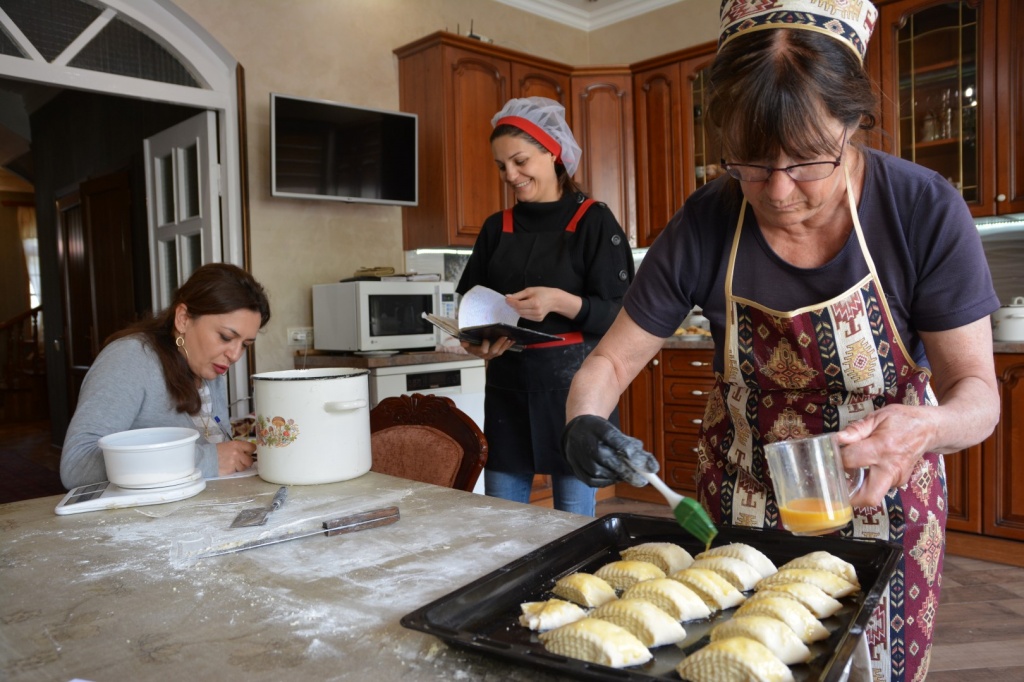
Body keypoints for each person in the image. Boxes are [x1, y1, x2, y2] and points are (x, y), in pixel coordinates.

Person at [561, 1, 1001, 680]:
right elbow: (612, 361)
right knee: (732, 664)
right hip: (741, 506)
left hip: (882, 502)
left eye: (806, 161)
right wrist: (584, 421)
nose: (777, 190)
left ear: (852, 124)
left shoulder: (921, 208)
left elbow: (978, 396)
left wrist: (926, 426)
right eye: (750, 162)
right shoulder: (707, 219)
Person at [456, 96, 634, 516]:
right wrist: (477, 342)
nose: (510, 175)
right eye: (501, 166)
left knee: (572, 526)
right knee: (504, 526)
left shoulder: (594, 221)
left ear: (553, 153)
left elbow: (622, 317)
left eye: (520, 161)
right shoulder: (495, 228)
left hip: (576, 391)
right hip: (508, 394)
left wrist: (561, 301)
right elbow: (472, 307)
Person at [61, 263, 271, 489]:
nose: (235, 355)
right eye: (225, 337)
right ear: (183, 318)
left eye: (245, 345)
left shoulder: (209, 368)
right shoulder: (130, 358)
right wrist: (208, 459)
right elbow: (77, 466)